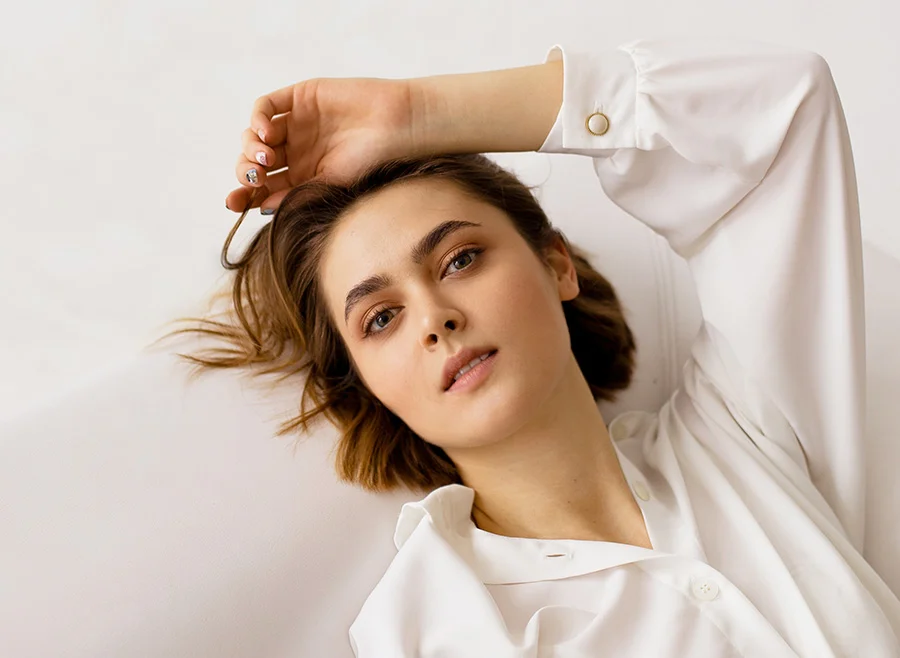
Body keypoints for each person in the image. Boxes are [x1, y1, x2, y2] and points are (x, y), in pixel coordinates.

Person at [163, 36, 900, 656]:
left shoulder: (747, 432)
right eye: (381, 318)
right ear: (366, 383)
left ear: (556, 264)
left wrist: (417, 113)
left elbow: (786, 109)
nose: (435, 319)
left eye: (459, 260)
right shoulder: (434, 625)